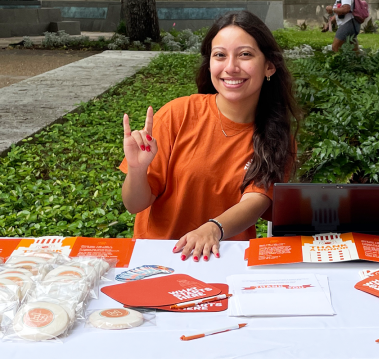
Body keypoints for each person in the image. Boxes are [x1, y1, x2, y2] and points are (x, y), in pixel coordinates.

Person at [119, 11, 299, 262]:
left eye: (245, 54)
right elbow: (134, 205)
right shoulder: (177, 114)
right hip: (159, 258)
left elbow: (255, 201)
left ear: (269, 65)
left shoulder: (277, 135)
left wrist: (213, 228)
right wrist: (138, 171)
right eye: (220, 55)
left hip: (224, 259)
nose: (231, 67)